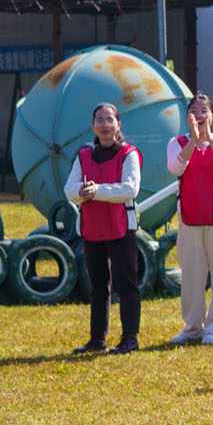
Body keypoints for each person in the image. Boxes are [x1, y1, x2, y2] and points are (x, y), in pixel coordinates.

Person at [67, 101, 144, 355]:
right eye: (99, 119)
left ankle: (130, 339)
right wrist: (81, 191)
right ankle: (97, 340)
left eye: (109, 119)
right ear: (92, 125)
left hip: (122, 226)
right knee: (98, 285)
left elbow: (129, 189)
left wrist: (96, 191)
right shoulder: (83, 155)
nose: (105, 125)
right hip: (93, 227)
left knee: (126, 284)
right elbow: (69, 188)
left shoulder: (129, 153)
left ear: (118, 124)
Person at [163, 94, 213, 345]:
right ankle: (192, 327)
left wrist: (208, 142)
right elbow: (175, 168)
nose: (199, 115)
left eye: (204, 110)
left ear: (212, 115)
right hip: (190, 215)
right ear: (187, 117)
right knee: (192, 273)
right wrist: (194, 143)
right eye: (193, 111)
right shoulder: (177, 142)